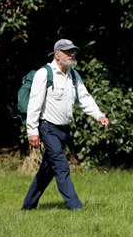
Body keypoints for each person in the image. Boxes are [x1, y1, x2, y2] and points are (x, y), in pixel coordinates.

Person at [22, 39, 109, 211]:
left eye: (73, 51)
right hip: (48, 128)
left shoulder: (74, 75)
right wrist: (32, 131)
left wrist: (99, 115)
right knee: (62, 167)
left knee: (47, 171)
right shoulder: (44, 73)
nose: (72, 54)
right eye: (68, 51)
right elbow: (34, 105)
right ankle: (75, 207)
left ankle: (28, 207)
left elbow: (84, 98)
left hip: (63, 131)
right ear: (57, 54)